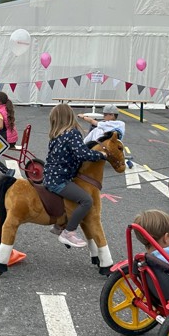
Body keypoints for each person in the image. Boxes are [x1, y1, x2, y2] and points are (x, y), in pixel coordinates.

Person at [44, 103, 107, 249]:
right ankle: (68, 231)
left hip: (49, 177)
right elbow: (82, 153)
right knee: (86, 200)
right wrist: (101, 155)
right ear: (70, 116)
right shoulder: (72, 133)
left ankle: (59, 225)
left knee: (72, 197)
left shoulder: (56, 135)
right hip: (60, 180)